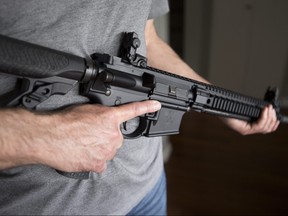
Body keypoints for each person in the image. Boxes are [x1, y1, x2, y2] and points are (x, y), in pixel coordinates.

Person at [0, 0, 279, 215]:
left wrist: (229, 109)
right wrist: (43, 136)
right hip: (43, 205)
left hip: (146, 189)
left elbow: (148, 39)